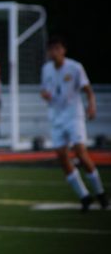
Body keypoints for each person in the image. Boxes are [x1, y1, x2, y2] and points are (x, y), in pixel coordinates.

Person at [41, 35, 108, 212]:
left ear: (63, 50)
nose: (54, 52)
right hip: (56, 118)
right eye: (51, 49)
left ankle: (100, 192)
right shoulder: (46, 69)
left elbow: (88, 90)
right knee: (62, 156)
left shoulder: (75, 67)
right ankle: (84, 196)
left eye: (57, 48)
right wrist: (45, 95)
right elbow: (45, 90)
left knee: (80, 152)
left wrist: (92, 106)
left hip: (74, 116)